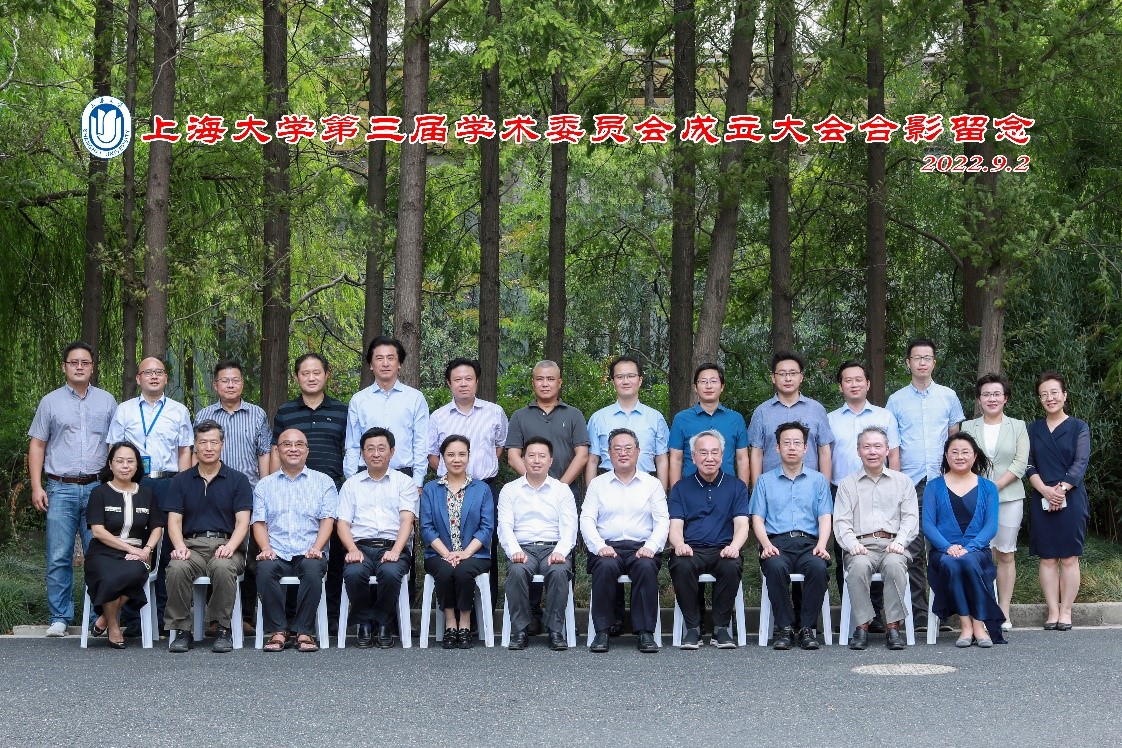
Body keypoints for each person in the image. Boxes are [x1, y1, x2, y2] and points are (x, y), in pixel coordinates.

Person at [27, 341, 117, 637]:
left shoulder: (107, 401)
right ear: (64, 366)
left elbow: (115, 446)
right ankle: (60, 617)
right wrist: (37, 486)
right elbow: (38, 444)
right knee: (58, 555)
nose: (79, 367)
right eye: (74, 362)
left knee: (98, 554)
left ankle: (98, 615)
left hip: (98, 488)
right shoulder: (50, 402)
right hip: (60, 487)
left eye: (85, 362)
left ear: (92, 367)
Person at [106, 355, 194, 634]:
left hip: (169, 482)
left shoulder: (179, 411)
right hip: (134, 484)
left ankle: (166, 617)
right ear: (138, 378)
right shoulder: (124, 410)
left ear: (166, 378)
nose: (154, 376)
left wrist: (183, 486)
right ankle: (134, 619)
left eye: (159, 372)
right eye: (148, 372)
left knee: (167, 549)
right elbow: (113, 448)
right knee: (134, 545)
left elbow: (184, 450)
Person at [886, 338, 965, 630]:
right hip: (911, 483)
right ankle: (920, 613)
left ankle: (943, 612)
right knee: (915, 548)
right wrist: (895, 484)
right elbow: (892, 446)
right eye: (917, 358)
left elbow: (955, 439)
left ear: (934, 362)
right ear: (908, 363)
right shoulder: (896, 400)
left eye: (927, 358)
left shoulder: (948, 396)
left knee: (944, 547)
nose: (922, 362)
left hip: (944, 482)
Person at [506, 359, 589, 634]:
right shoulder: (520, 416)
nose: (545, 383)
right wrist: (534, 480)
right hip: (526, 491)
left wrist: (557, 486)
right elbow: (513, 455)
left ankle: (558, 622)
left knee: (561, 556)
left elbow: (582, 454)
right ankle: (529, 617)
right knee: (525, 553)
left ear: (559, 383)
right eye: (540, 379)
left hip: (565, 489)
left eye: (550, 379)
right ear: (533, 382)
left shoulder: (574, 414)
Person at [270, 352, 348, 631]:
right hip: (291, 489)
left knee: (332, 555)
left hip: (331, 488)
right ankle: (292, 616)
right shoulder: (286, 411)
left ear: (327, 375)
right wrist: (273, 484)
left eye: (317, 372)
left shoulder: (342, 410)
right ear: (297, 377)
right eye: (305, 373)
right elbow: (275, 449)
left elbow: (349, 450)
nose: (311, 378)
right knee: (293, 552)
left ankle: (331, 616)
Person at [196, 359, 272, 634]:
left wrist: (264, 489)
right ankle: (213, 619)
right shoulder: (204, 415)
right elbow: (196, 453)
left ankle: (246, 617)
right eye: (225, 380)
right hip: (212, 494)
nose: (230, 385)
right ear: (216, 385)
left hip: (248, 494)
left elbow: (264, 452)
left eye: (235, 380)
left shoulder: (257, 414)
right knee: (214, 553)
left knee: (249, 557)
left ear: (242, 383)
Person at [163, 420, 253, 653]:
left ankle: (221, 628)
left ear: (222, 444)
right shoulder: (181, 481)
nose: (209, 447)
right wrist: (179, 546)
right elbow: (174, 521)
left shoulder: (238, 480)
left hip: (226, 544)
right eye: (203, 442)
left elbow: (243, 522)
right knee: (177, 567)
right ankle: (182, 630)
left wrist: (231, 546)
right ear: (195, 446)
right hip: (191, 545)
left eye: (214, 442)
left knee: (223, 567)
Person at [581, 428, 669, 654]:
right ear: (609, 453)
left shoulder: (652, 484)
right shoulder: (597, 485)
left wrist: (651, 547)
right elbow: (587, 520)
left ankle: (645, 632)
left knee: (646, 567)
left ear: (638, 452)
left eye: (628, 448)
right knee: (605, 567)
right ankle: (602, 631)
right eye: (617, 449)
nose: (623, 453)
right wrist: (600, 546)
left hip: (642, 547)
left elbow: (662, 521)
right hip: (607, 546)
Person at [827, 359, 900, 626]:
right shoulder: (830, 419)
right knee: (846, 553)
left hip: (881, 488)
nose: (854, 384)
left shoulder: (884, 416)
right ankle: (855, 615)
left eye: (859, 379)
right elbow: (826, 456)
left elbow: (894, 455)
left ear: (868, 384)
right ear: (841, 386)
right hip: (842, 490)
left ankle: (877, 614)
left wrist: (895, 487)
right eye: (848, 380)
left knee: (881, 547)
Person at [429, 357, 508, 604]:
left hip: (484, 489)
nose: (463, 384)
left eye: (468, 378)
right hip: (447, 490)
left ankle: (486, 608)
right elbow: (432, 455)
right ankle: (454, 611)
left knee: (485, 544)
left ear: (477, 381)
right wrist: (453, 475)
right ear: (449, 383)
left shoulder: (495, 412)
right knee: (450, 548)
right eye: (457, 379)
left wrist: (474, 476)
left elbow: (499, 447)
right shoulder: (438, 417)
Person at [252, 428, 338, 653]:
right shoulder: (265, 485)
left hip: (309, 551)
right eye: (287, 444)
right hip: (277, 551)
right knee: (264, 569)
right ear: (277, 451)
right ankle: (278, 630)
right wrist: (265, 548)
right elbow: (258, 522)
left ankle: (304, 631)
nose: (293, 449)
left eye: (299, 444)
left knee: (312, 569)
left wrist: (317, 548)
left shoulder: (323, 482)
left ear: (307, 451)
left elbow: (327, 520)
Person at [833, 426, 918, 650]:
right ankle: (862, 626)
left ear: (887, 450)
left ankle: (893, 627)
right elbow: (841, 521)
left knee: (895, 566)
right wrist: (852, 544)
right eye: (867, 447)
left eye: (878, 446)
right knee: (858, 567)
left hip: (893, 545)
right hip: (861, 546)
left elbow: (910, 518)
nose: (872, 452)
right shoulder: (847, 484)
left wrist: (899, 542)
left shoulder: (903, 482)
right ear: (858, 451)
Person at [749, 422, 832, 651]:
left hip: (809, 544)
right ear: (777, 448)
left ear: (806, 448)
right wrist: (765, 545)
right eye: (786, 443)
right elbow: (757, 519)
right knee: (774, 566)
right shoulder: (764, 481)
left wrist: (822, 545)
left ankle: (807, 628)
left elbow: (825, 516)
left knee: (818, 567)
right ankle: (784, 628)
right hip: (777, 543)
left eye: (797, 443)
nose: (792, 447)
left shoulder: (818, 480)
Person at [667, 430, 750, 649]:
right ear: (693, 457)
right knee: (681, 564)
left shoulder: (737, 487)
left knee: (731, 565)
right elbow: (675, 526)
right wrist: (679, 544)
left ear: (722, 456)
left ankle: (720, 628)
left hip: (723, 548)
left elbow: (742, 525)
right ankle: (693, 628)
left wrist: (734, 546)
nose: (709, 458)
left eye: (715, 452)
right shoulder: (681, 488)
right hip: (691, 549)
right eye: (703, 453)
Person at [337, 427, 418, 648]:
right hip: (360, 546)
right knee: (353, 573)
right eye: (370, 449)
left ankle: (383, 624)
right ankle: (364, 623)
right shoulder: (351, 485)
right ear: (362, 453)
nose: (376, 454)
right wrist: (352, 549)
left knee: (390, 573)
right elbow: (342, 523)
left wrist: (396, 551)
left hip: (393, 545)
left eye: (381, 448)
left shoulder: (404, 482)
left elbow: (407, 521)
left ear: (391, 452)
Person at [960, 373, 1029, 630]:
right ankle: (982, 609)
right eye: (986, 394)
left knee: (1006, 553)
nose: (992, 399)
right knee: (980, 552)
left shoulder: (1018, 426)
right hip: (973, 498)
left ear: (1005, 398)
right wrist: (981, 489)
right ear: (979, 399)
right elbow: (962, 460)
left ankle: (1004, 611)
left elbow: (1020, 463)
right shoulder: (968, 427)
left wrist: (993, 487)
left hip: (1009, 498)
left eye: (997, 394)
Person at [922, 432, 1005, 646]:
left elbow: (991, 526)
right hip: (944, 553)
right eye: (955, 452)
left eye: (965, 452)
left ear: (974, 456)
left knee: (967, 561)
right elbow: (928, 525)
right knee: (952, 563)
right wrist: (947, 547)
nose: (960, 456)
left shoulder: (988, 488)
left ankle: (978, 625)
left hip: (977, 552)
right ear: (946, 456)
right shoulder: (934, 486)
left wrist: (970, 548)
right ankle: (966, 626)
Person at [498, 436, 578, 651]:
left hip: (553, 547)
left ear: (550, 461)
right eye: (531, 455)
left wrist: (561, 551)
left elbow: (570, 526)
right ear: (523, 459)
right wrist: (514, 551)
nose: (536, 460)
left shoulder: (562, 490)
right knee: (516, 571)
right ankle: (520, 630)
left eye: (542, 456)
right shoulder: (510, 490)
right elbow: (504, 526)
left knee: (559, 571)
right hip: (523, 548)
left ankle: (555, 630)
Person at [1026, 371, 1091, 631]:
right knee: (1047, 557)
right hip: (1041, 496)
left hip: (1071, 497)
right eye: (1044, 394)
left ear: (1064, 395)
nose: (1049, 398)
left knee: (1069, 557)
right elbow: (1029, 464)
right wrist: (1045, 490)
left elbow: (1080, 463)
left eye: (1054, 392)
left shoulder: (1079, 427)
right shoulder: (1032, 429)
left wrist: (1061, 490)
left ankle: (1066, 611)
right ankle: (1052, 610)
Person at [84, 442, 164, 648]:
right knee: (109, 576)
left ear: (137, 465)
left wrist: (146, 550)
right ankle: (114, 626)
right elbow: (97, 531)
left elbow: (157, 527)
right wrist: (130, 549)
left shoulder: (146, 493)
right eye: (119, 461)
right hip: (103, 551)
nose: (125, 466)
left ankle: (104, 619)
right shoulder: (99, 492)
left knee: (134, 572)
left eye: (130, 461)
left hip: (138, 553)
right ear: (110, 465)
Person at [420, 435, 494, 649]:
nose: (456, 459)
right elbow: (426, 528)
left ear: (469, 456)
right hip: (438, 554)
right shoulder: (431, 489)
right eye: (451, 455)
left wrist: (465, 553)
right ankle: (450, 623)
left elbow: (486, 527)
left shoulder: (481, 489)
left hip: (474, 554)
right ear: (443, 458)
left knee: (463, 571)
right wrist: (447, 554)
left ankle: (465, 623)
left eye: (462, 454)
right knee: (445, 571)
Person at [344, 336, 429, 486]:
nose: (385, 364)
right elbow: (352, 444)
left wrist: (418, 481)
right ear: (371, 365)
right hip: (366, 476)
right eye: (379, 358)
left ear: (399, 363)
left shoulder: (415, 398)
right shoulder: (358, 400)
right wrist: (352, 480)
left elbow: (421, 443)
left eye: (390, 358)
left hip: (404, 476)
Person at [748, 351, 834, 489]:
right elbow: (757, 453)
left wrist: (825, 489)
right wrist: (757, 490)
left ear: (801, 377)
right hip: (772, 488)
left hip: (810, 488)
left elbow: (824, 451)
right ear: (773, 378)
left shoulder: (816, 409)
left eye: (793, 373)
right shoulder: (762, 412)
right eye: (782, 374)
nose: (788, 378)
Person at [585, 355, 670, 490]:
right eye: (620, 377)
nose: (625, 381)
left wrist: (662, 494)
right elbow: (592, 460)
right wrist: (592, 495)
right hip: (608, 487)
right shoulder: (598, 418)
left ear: (640, 380)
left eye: (631, 376)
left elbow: (661, 459)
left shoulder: (655, 417)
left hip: (646, 487)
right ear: (613, 382)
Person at [668, 363, 749, 485]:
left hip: (728, 489)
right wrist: (676, 493)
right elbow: (676, 459)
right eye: (703, 381)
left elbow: (742, 459)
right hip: (690, 489)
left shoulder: (736, 419)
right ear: (695, 387)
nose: (708, 386)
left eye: (713, 381)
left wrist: (742, 492)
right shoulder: (681, 419)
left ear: (722, 386)